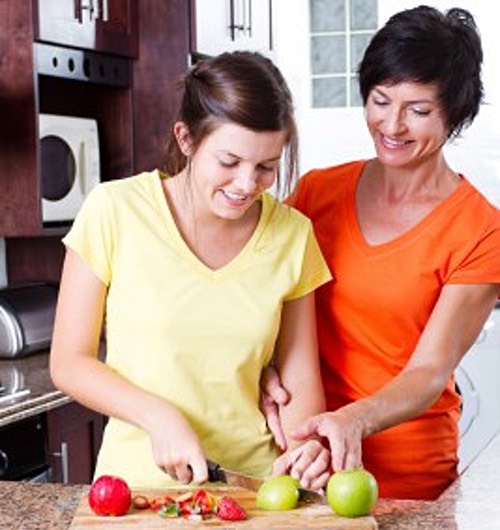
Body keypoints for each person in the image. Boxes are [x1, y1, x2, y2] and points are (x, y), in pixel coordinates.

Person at [49, 51, 333, 490]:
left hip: (256, 488)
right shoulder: (114, 210)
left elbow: (297, 380)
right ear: (185, 139)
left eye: (266, 167)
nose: (246, 185)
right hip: (137, 491)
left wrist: (305, 451)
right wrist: (157, 415)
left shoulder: (293, 235)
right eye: (229, 162)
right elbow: (69, 362)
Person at [262, 5, 500, 500]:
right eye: (380, 100)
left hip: (407, 478)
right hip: (302, 462)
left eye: (418, 110)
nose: (392, 124)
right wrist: (259, 369)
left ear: (455, 113)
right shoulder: (314, 194)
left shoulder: (482, 230)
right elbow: (257, 297)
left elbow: (429, 372)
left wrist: (350, 420)